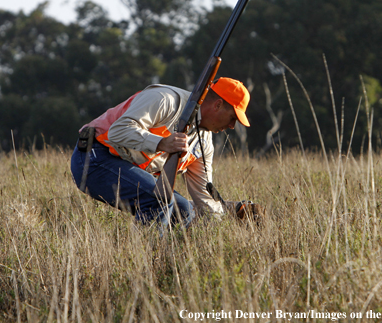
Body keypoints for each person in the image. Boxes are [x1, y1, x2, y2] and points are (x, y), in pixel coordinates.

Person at [69, 77, 251, 228]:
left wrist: (225, 224)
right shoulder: (165, 100)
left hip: (125, 167)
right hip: (93, 159)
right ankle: (143, 260)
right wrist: (161, 143)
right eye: (233, 118)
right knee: (160, 201)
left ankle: (161, 259)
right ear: (218, 105)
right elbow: (118, 131)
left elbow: (204, 196)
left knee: (183, 210)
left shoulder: (204, 143)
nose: (232, 126)